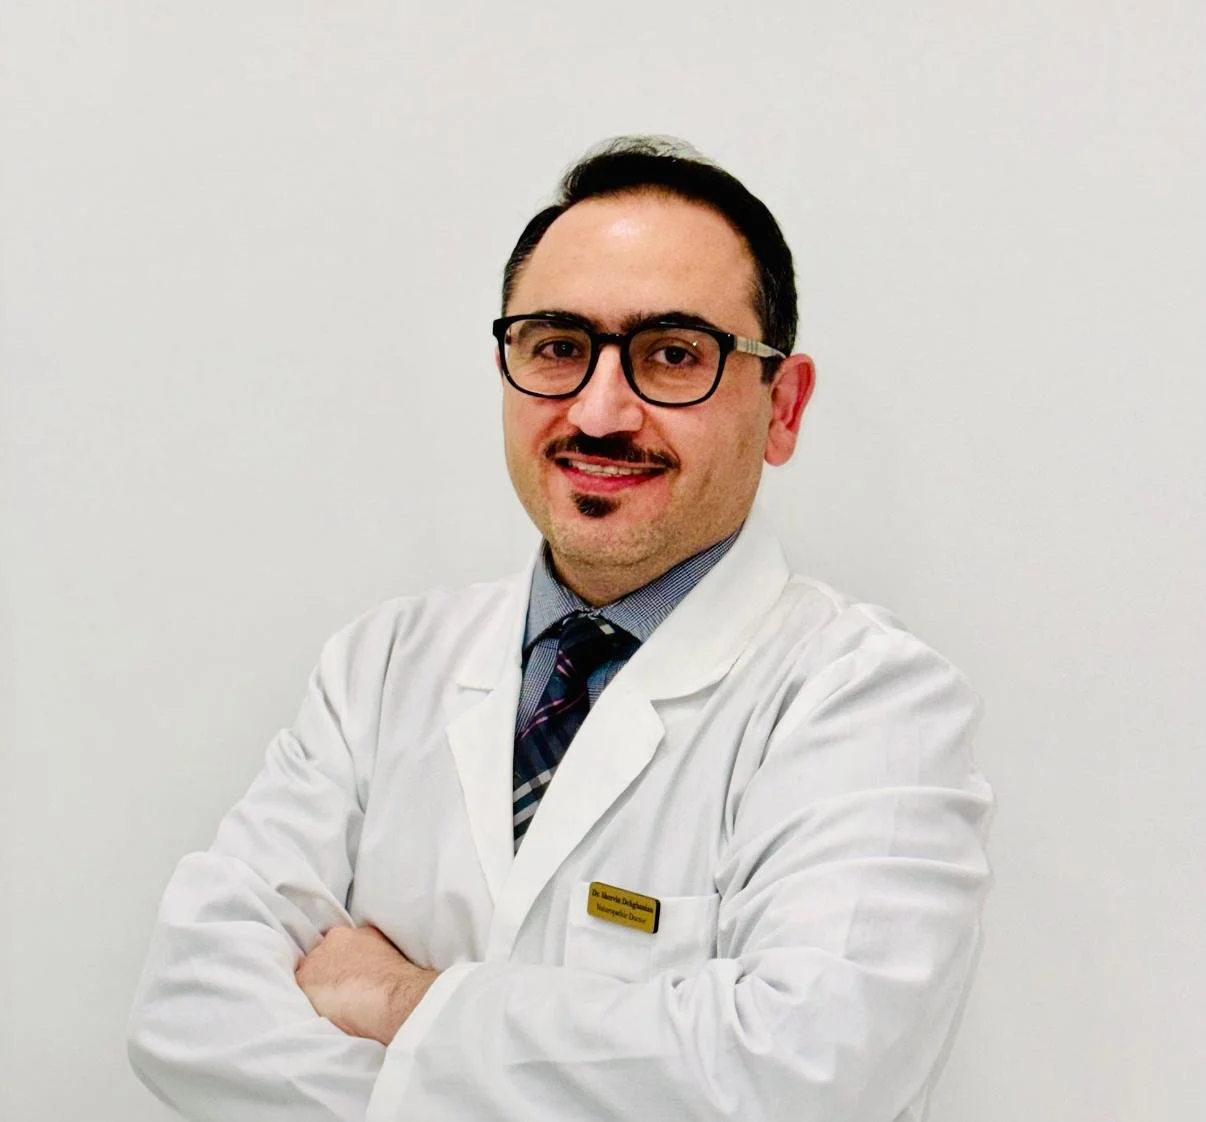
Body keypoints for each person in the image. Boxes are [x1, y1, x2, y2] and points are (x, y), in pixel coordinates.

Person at [128, 136, 993, 1122]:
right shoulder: (381, 668)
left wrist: (402, 1000)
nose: (600, 409)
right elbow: (187, 1014)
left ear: (781, 407)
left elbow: (805, 1080)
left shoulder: (872, 703)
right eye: (557, 347)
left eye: (673, 355)